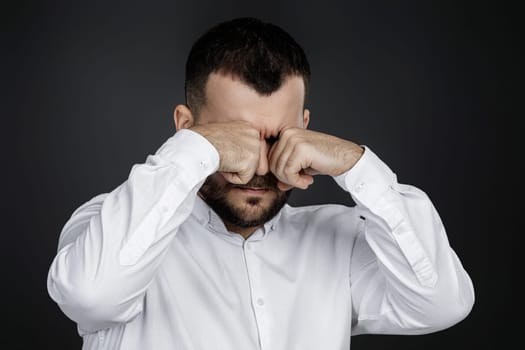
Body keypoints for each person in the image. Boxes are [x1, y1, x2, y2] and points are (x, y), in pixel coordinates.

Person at [47, 17, 475, 350]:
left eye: (275, 138)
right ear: (187, 128)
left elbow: (440, 304)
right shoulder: (109, 224)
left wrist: (356, 165)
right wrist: (195, 152)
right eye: (234, 138)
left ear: (306, 130)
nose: (255, 166)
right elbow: (91, 297)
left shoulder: (340, 240)